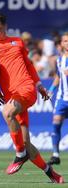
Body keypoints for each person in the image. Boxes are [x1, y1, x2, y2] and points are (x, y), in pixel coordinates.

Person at [0, 12, 64, 183]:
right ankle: (52, 174)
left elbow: (28, 65)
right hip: (12, 96)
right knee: (27, 143)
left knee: (7, 113)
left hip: (26, 89)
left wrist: (39, 85)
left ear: (5, 27)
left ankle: (19, 154)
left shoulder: (18, 42)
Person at [47, 32, 68, 165]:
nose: (67, 43)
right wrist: (51, 90)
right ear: (61, 44)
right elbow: (58, 77)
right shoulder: (59, 59)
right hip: (62, 98)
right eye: (65, 41)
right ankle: (55, 154)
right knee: (56, 121)